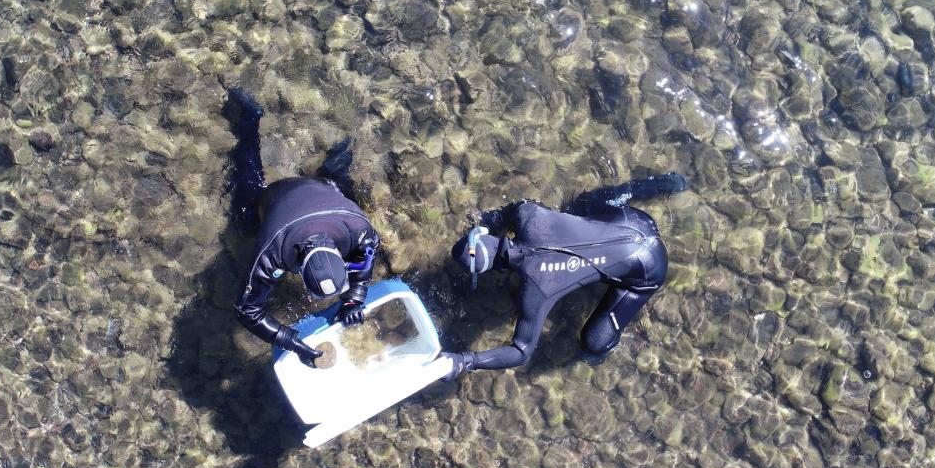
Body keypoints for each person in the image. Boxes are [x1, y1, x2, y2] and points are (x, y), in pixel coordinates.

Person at [440, 174, 684, 378]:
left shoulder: (536, 291)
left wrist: (464, 361)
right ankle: (666, 183)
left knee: (593, 344)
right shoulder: (527, 213)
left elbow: (521, 352)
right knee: (579, 207)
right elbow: (507, 215)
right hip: (636, 220)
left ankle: (605, 347)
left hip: (648, 270)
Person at [226, 88, 380, 367]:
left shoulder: (362, 231)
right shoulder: (272, 252)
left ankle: (336, 165)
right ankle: (249, 119)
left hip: (324, 195)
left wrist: (354, 299)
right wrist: (290, 341)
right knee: (245, 205)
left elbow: (368, 254)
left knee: (340, 189)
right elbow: (245, 310)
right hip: (276, 196)